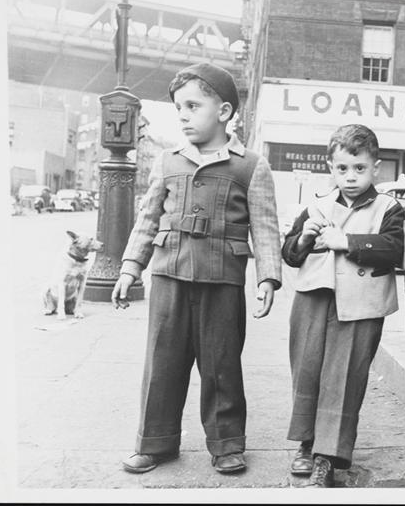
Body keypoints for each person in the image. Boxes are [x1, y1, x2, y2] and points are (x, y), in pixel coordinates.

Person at [112, 62, 282, 475]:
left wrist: (268, 277)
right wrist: (130, 267)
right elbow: (148, 218)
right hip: (168, 275)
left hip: (222, 280)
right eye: (178, 108)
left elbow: (264, 225)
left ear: (223, 112)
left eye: (193, 106)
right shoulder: (168, 162)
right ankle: (155, 442)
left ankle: (226, 444)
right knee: (162, 363)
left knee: (222, 365)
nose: (183, 115)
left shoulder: (250, 165)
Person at [281, 124, 405, 487]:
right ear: (330, 168)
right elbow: (290, 254)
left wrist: (347, 241)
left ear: (375, 168)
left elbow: (394, 248)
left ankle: (327, 457)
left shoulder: (388, 207)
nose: (351, 177)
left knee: (344, 378)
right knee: (307, 370)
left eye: (360, 168)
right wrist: (303, 239)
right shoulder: (317, 204)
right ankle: (306, 443)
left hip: (360, 305)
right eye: (342, 168)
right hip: (313, 298)